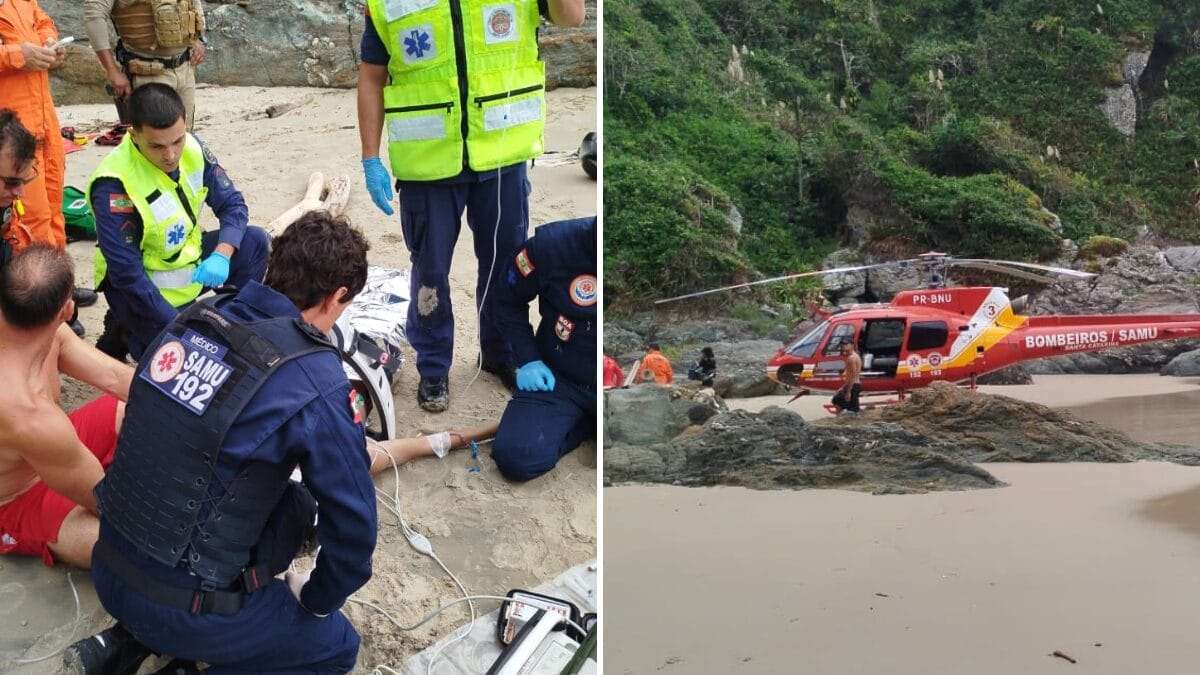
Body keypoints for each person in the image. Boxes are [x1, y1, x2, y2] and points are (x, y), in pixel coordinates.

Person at [78, 211, 376, 674]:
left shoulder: (193, 319)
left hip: (109, 564)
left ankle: (132, 639)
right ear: (338, 297)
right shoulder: (316, 378)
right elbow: (355, 529)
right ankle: (188, 653)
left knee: (294, 505)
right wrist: (316, 599)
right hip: (179, 608)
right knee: (335, 646)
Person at [357, 0, 586, 412]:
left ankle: (500, 352)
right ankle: (433, 366)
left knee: (505, 266)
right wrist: (370, 156)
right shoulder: (387, 2)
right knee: (429, 273)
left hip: (501, 154)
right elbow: (372, 76)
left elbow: (572, 16)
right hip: (427, 164)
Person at [89, 83, 269, 362]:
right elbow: (127, 274)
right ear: (134, 134)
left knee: (255, 242)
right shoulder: (114, 185)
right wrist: (179, 326)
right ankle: (126, 332)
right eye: (157, 146)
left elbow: (233, 205)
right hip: (141, 287)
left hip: (187, 260)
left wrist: (222, 255)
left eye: (177, 140)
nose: (171, 155)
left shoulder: (194, 148)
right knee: (173, 360)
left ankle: (225, 326)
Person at [0, 244, 133, 569]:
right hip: (14, 500)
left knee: (137, 408)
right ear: (68, 309)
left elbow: (119, 380)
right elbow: (105, 502)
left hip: (53, 450)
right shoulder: (27, 413)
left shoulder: (53, 334)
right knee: (122, 547)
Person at [490, 217, 595, 481]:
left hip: (619, 384)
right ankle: (583, 423)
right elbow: (506, 299)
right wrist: (527, 358)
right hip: (560, 379)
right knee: (516, 456)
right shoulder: (551, 247)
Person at [0, 2, 67, 250]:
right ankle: (36, 286)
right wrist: (17, 56)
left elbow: (42, 20)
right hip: (9, 134)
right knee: (27, 219)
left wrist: (49, 43)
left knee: (53, 207)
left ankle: (60, 284)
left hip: (44, 121)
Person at [84, 0, 207, 130]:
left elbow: (193, 3)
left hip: (185, 67)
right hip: (146, 73)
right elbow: (94, 16)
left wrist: (200, 38)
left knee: (185, 137)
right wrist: (112, 71)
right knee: (155, 140)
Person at [832, 340, 862, 414]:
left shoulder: (852, 358)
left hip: (853, 386)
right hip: (853, 385)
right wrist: (842, 387)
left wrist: (848, 392)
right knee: (838, 400)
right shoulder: (854, 356)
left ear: (852, 345)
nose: (843, 346)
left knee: (837, 401)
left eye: (846, 344)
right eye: (842, 344)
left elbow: (853, 376)